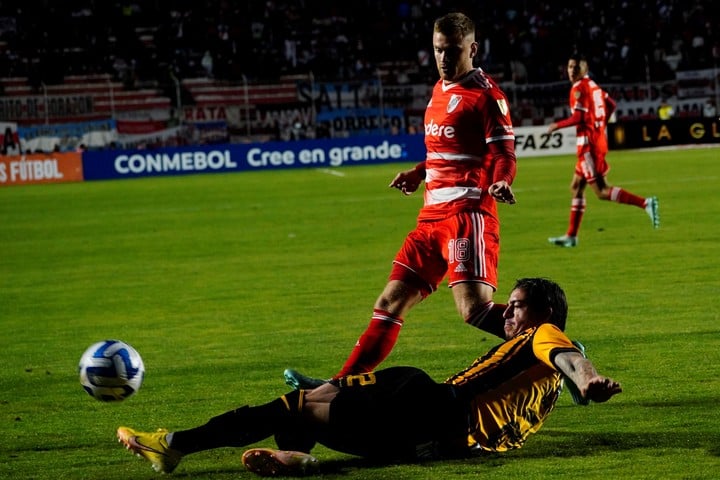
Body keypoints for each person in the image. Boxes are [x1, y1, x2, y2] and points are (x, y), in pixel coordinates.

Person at [116, 278, 622, 477]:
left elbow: (572, 359)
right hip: (441, 444)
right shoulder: (540, 373)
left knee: (316, 400)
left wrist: (588, 380)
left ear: (543, 313)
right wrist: (581, 385)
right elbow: (569, 366)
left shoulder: (544, 335)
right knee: (307, 412)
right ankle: (300, 458)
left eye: (516, 306)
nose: (506, 313)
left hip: (439, 407)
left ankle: (174, 445)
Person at [285, 11, 518, 390]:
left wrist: (502, 180)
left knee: (475, 310)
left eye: (452, 50)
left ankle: (560, 349)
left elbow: (505, 153)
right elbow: (445, 151)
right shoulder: (439, 90)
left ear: (472, 49)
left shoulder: (487, 96)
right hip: (429, 220)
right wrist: (419, 172)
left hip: (465, 215)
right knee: (390, 302)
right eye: (438, 50)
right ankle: (337, 388)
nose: (444, 58)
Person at [547, 53, 660, 248]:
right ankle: (571, 236)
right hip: (596, 141)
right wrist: (600, 126)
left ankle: (645, 203)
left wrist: (556, 125)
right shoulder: (594, 86)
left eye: (576, 67)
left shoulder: (579, 87)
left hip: (588, 146)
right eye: (570, 67)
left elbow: (580, 118)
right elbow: (611, 105)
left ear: (585, 68)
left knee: (601, 191)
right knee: (576, 187)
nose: (572, 71)